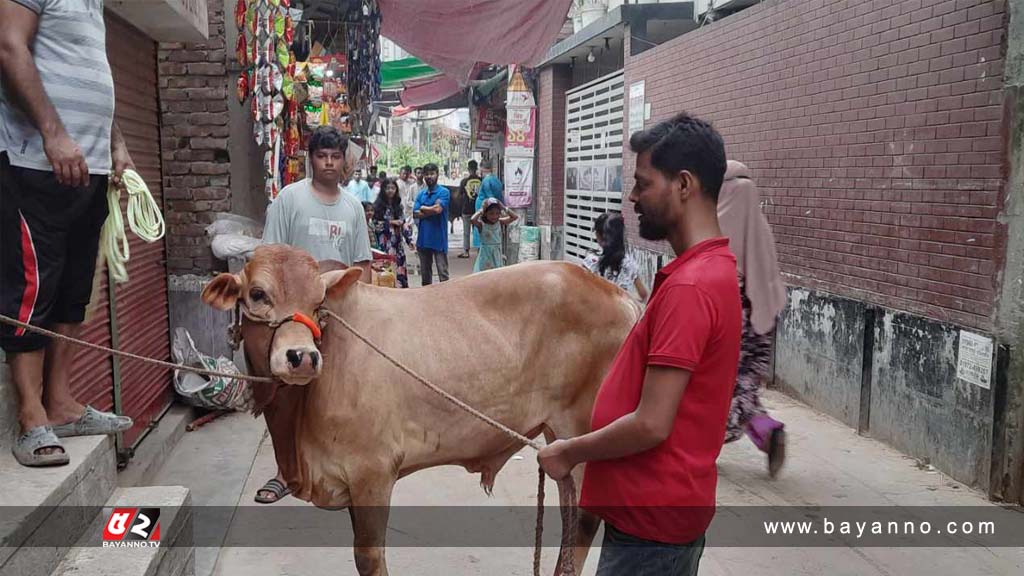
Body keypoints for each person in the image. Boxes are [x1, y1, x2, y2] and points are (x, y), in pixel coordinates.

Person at [538, 112, 740, 575]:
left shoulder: (692, 286)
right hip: (659, 518)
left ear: (683, 185)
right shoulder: (711, 269)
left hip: (652, 529)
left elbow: (652, 423)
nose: (632, 198)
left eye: (643, 184)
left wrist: (570, 451)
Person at [1, 0, 138, 467]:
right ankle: (31, 415)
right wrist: (53, 132)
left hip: (89, 168)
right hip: (33, 162)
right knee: (32, 289)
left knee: (73, 291)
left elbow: (91, 72)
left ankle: (59, 403)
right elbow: (8, 47)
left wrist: (116, 142)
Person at [257, 125, 371, 503]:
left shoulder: (353, 206)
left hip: (337, 314)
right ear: (311, 159)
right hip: (294, 317)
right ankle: (283, 473)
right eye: (321, 156)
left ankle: (336, 470)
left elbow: (361, 265)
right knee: (287, 393)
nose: (328, 163)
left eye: (335, 157)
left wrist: (363, 309)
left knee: (338, 392)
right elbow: (269, 258)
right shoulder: (289, 200)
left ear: (344, 163)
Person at [718, 160, 788, 477]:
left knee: (718, 386)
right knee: (744, 384)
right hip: (762, 316)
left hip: (731, 314)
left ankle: (702, 448)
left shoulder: (720, 218)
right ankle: (767, 430)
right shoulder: (758, 224)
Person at [585, 213, 650, 301]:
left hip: (595, 312)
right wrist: (628, 302)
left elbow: (580, 291)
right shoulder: (629, 263)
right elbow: (644, 295)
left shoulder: (591, 261)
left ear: (599, 236)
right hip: (619, 313)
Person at [412, 163, 450, 285]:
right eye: (427, 174)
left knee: (443, 275)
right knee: (425, 277)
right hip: (423, 241)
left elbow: (438, 210)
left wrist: (423, 208)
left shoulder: (444, 192)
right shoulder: (421, 194)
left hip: (439, 240)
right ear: (423, 176)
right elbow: (415, 214)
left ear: (437, 175)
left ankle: (445, 301)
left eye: (432, 174)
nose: (429, 176)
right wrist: (431, 209)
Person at [372, 178, 411, 288]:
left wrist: (409, 240)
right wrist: (391, 222)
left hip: (397, 244)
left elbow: (403, 222)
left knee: (399, 268)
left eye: (393, 188)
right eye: (387, 188)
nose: (390, 190)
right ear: (383, 190)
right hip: (384, 243)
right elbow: (375, 224)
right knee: (386, 270)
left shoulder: (398, 206)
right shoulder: (377, 206)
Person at [470, 198, 518, 273]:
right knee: (484, 274)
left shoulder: (500, 222)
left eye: (497, 213)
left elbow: (514, 217)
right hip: (485, 255)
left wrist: (504, 207)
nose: (494, 216)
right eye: (491, 213)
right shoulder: (482, 225)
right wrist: (481, 210)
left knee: (498, 274)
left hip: (497, 255)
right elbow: (473, 219)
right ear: (485, 214)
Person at [457, 160, 483, 258]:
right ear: (476, 169)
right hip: (477, 210)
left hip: (466, 209)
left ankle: (466, 251)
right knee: (478, 230)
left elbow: (459, 195)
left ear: (468, 169)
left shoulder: (464, 181)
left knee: (466, 232)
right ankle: (480, 250)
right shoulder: (481, 180)